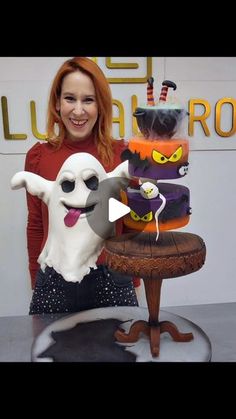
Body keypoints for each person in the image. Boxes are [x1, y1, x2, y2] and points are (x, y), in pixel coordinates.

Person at [24, 56, 139, 315]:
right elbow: (36, 224)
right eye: (69, 98)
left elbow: (132, 222)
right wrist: (36, 279)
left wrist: (133, 276)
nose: (78, 110)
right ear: (56, 102)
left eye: (88, 100)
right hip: (53, 281)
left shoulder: (122, 154)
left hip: (114, 278)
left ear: (101, 105)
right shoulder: (38, 157)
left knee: (120, 355)